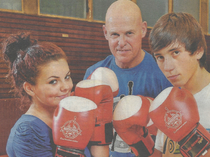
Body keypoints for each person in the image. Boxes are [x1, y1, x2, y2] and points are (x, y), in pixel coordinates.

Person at [83, 0, 172, 156]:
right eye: (115, 34)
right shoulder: (94, 74)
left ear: (143, 30)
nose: (121, 43)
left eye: (129, 33)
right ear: (105, 33)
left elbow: (174, 138)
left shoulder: (163, 74)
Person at [3, 32, 101, 157]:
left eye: (67, 77)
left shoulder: (69, 117)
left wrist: (103, 127)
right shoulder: (29, 131)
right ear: (30, 88)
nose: (66, 87)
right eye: (53, 82)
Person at [149, 12, 210, 157]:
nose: (167, 67)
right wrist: (139, 141)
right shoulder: (168, 101)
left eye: (175, 52)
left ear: (198, 50)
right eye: (160, 57)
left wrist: (191, 139)